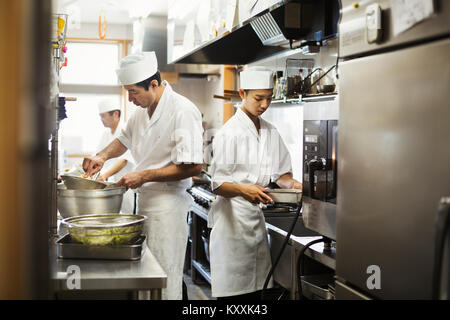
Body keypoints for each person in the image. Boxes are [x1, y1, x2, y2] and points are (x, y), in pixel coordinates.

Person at [82, 52, 204, 299]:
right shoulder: (141, 110)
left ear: (154, 85)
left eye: (133, 92)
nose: (130, 98)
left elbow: (194, 167)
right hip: (145, 206)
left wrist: (144, 175)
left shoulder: (182, 110)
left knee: (164, 280)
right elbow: (123, 140)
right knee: (146, 280)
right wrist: (101, 156)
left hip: (168, 209)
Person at [209, 66, 302, 300]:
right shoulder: (229, 133)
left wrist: (293, 185)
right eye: (258, 98)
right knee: (234, 297)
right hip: (232, 224)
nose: (264, 105)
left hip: (255, 223)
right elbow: (218, 184)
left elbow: (282, 175)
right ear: (242, 94)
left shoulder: (270, 131)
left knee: (257, 294)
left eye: (269, 98)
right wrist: (243, 189)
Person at [96, 99, 135, 213]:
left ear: (116, 114)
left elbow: (124, 160)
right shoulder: (106, 134)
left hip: (123, 184)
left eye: (103, 116)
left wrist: (104, 175)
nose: (101, 119)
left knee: (123, 217)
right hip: (107, 183)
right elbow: (98, 155)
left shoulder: (125, 130)